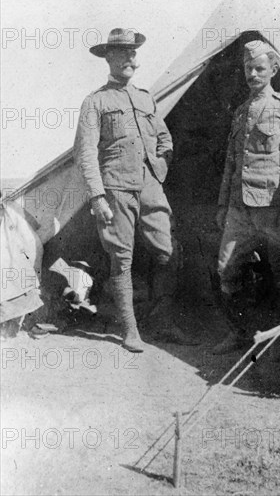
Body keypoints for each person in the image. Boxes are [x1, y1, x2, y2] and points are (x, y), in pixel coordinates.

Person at [74, 28, 190, 352]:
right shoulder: (95, 102)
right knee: (121, 259)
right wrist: (97, 197)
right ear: (108, 58)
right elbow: (84, 152)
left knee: (168, 250)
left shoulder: (145, 98)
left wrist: (160, 169)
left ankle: (164, 322)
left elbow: (165, 139)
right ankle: (130, 331)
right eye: (121, 52)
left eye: (132, 53)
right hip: (115, 190)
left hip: (150, 188)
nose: (128, 58)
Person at [214, 40, 280, 354]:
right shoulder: (241, 111)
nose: (252, 74)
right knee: (226, 269)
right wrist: (223, 205)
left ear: (274, 70)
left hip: (274, 208)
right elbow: (231, 163)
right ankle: (239, 331)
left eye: (259, 68)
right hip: (239, 209)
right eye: (247, 69)